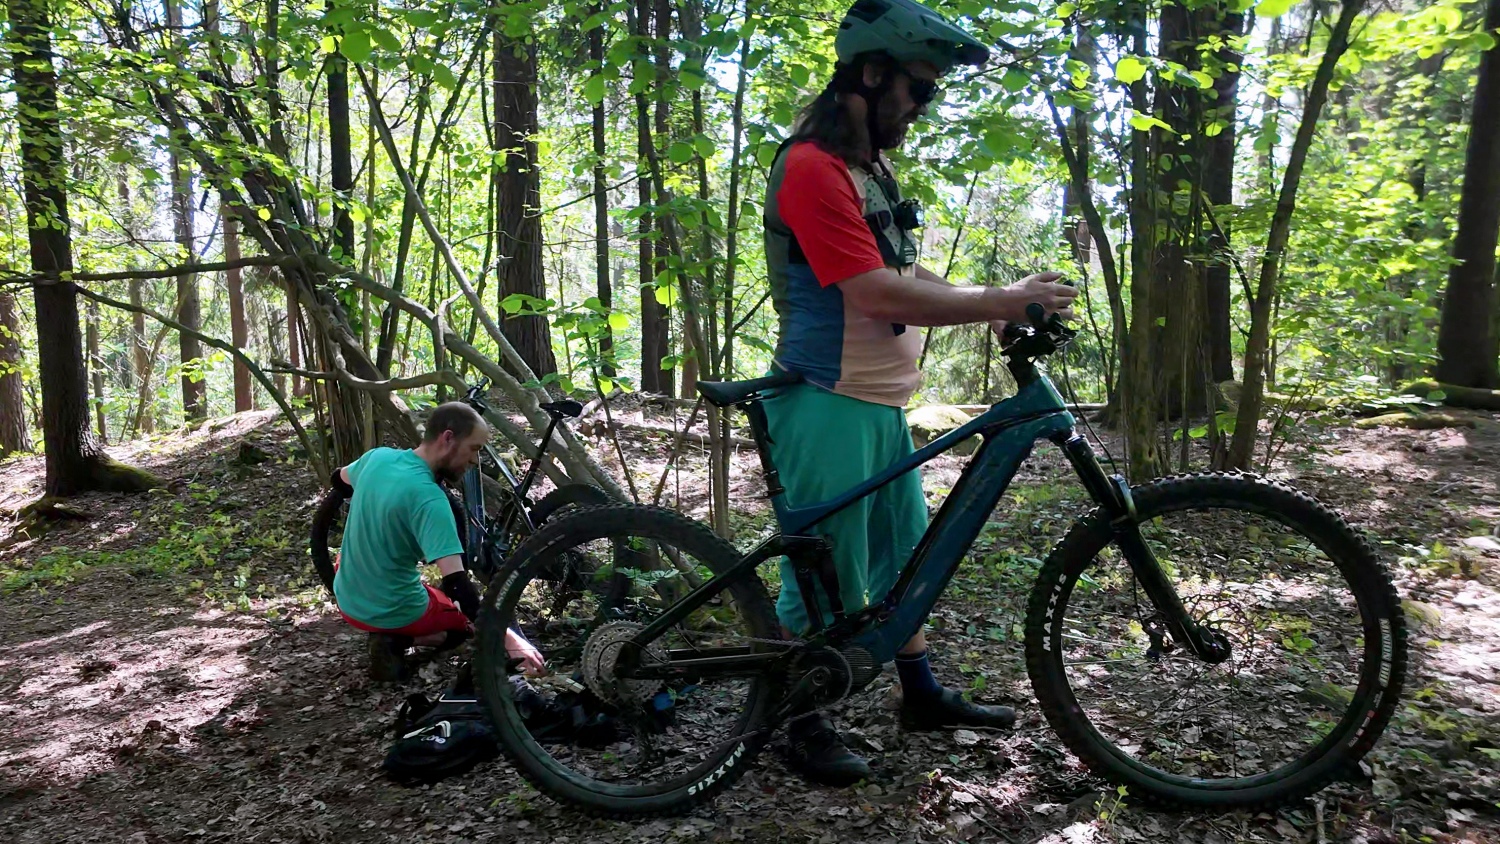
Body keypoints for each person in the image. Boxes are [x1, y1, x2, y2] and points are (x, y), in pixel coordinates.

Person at [762, 0, 1080, 785]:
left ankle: (920, 694)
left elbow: (910, 276)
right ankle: (796, 719)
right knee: (823, 571)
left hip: (879, 402)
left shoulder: (867, 170)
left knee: (905, 561)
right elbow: (873, 294)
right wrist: (999, 298)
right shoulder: (810, 166)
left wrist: (996, 304)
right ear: (872, 75)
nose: (923, 107)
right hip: (827, 398)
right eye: (922, 90)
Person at [331, 401, 543, 682]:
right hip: (392, 609)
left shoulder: (376, 458)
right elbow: (457, 585)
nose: (475, 461)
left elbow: (339, 480)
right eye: (474, 449)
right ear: (448, 438)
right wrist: (509, 640)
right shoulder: (430, 499)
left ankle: (389, 629)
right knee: (463, 623)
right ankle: (396, 641)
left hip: (346, 598)